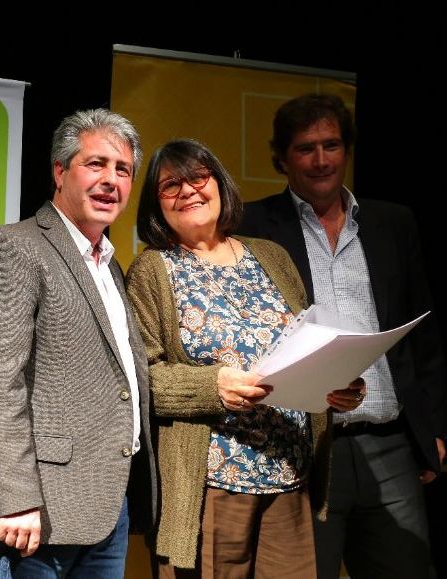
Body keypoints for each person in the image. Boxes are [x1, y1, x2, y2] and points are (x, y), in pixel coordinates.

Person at [126, 139, 365, 577]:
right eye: (170, 185)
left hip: (289, 475)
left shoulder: (270, 255)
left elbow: (305, 343)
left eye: (199, 177)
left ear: (219, 183)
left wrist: (337, 383)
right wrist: (210, 387)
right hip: (213, 484)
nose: (188, 190)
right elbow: (141, 379)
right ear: (155, 204)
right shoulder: (153, 269)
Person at [238, 92, 447, 578]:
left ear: (347, 151)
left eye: (331, 145)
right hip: (305, 446)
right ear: (281, 159)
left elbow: (424, 335)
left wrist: (432, 427)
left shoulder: (393, 222)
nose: (320, 160)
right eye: (305, 148)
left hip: (390, 445)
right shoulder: (253, 226)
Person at [0, 108, 156, 578]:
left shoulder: (110, 265)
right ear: (59, 171)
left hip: (106, 510)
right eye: (96, 164)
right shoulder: (14, 246)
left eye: (123, 169)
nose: (111, 180)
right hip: (34, 515)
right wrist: (14, 499)